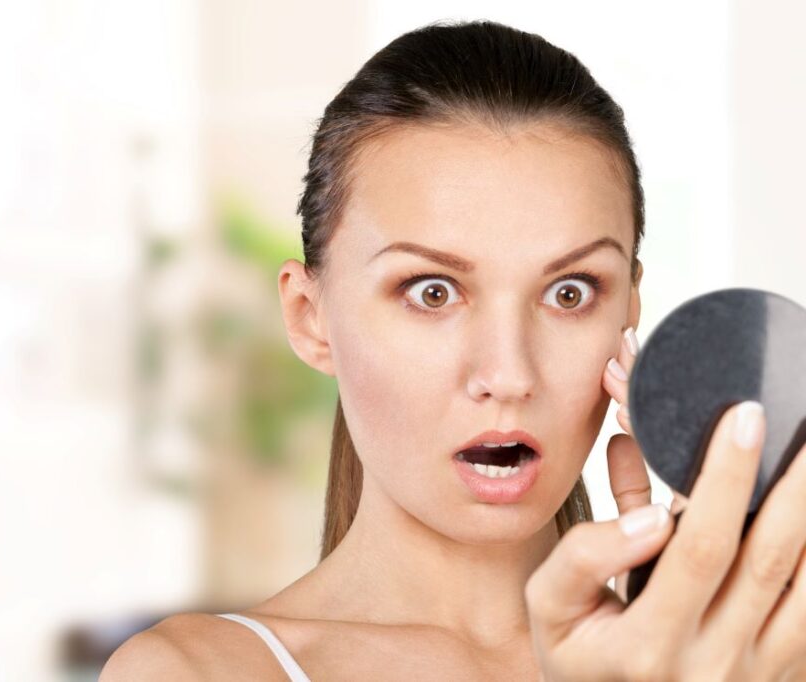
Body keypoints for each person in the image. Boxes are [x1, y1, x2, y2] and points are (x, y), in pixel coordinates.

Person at [101, 19, 806, 680]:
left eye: (569, 293)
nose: (507, 374)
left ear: (630, 314)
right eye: (431, 292)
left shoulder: (745, 660)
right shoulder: (199, 671)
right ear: (311, 317)